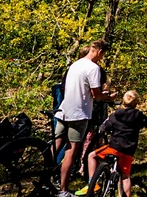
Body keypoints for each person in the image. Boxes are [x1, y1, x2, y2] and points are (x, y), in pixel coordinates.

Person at [55, 41, 116, 197]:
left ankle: (46, 176)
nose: (102, 58)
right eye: (103, 54)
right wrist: (108, 98)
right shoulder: (93, 68)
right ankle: (63, 190)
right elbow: (96, 95)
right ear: (99, 51)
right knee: (71, 150)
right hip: (78, 113)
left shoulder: (75, 65)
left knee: (56, 145)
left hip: (62, 110)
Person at [82, 91, 147, 197]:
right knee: (126, 176)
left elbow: (104, 126)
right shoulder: (139, 116)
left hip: (114, 148)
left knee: (91, 156)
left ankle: (93, 183)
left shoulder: (115, 115)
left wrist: (103, 130)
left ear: (123, 102)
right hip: (128, 150)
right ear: (136, 103)